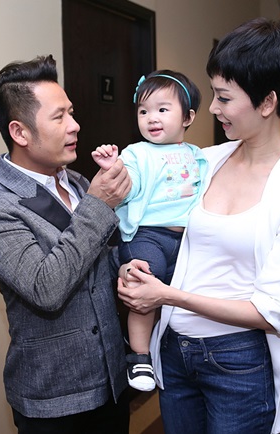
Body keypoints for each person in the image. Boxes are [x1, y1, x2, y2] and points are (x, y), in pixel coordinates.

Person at [118, 18, 280, 434]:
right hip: (174, 349)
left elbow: (274, 312)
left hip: (237, 360)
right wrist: (136, 265)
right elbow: (161, 226)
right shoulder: (205, 161)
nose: (213, 108)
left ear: (267, 102)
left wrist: (167, 294)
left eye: (224, 97)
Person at [0, 55, 132, 434]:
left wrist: (126, 263)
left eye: (71, 113)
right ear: (20, 132)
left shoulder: (76, 182)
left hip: (111, 381)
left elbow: (94, 265)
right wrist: (99, 205)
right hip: (54, 400)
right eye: (59, 117)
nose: (75, 125)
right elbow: (46, 288)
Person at [91, 70, 208, 392]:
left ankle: (175, 347)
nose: (151, 118)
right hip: (148, 236)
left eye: (162, 109)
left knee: (186, 290)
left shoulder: (197, 155)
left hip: (186, 239)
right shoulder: (136, 153)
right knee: (144, 282)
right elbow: (127, 186)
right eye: (143, 111)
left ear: (188, 117)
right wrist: (113, 168)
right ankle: (139, 356)